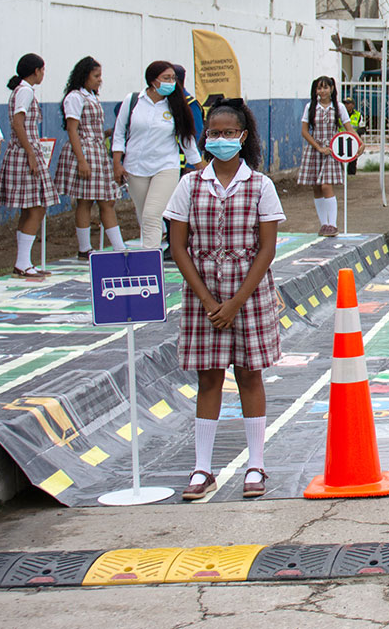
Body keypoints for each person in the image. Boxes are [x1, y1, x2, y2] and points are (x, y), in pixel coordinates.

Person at [165, 98, 284, 499]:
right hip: (204, 295)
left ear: (243, 136)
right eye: (213, 133)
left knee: (249, 374)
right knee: (209, 377)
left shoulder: (260, 186)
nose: (220, 139)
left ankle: (256, 465)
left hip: (248, 293)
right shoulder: (189, 185)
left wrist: (235, 302)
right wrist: (208, 299)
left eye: (228, 133)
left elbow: (266, 249)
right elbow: (179, 247)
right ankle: (202, 468)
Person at [113, 61, 202, 251]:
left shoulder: (177, 104)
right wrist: (117, 163)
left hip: (166, 167)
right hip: (135, 167)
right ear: (153, 80)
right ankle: (151, 250)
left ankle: (149, 261)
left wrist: (200, 166)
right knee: (143, 215)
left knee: (152, 214)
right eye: (166, 78)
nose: (171, 82)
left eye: (173, 78)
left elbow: (186, 140)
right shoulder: (133, 100)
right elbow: (119, 133)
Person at [51, 56, 124, 259]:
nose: (100, 80)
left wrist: (108, 132)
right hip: (84, 152)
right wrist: (81, 160)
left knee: (104, 200)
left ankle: (115, 247)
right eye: (96, 75)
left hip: (97, 150)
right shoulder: (75, 98)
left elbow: (92, 128)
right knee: (87, 200)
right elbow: (73, 130)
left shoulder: (91, 96)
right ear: (85, 76)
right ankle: (87, 247)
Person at [0, 53, 55, 279]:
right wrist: (30, 152)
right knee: (37, 206)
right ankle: (23, 262)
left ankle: (23, 261)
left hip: (23, 151)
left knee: (30, 206)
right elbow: (18, 122)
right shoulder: (26, 91)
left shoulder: (21, 90)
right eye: (43, 69)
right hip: (24, 152)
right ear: (37, 70)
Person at [297, 76, 345, 236]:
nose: (322, 91)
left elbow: (348, 128)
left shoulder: (339, 107)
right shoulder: (310, 107)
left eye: (325, 87)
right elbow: (305, 131)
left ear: (332, 89)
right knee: (316, 187)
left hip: (331, 150)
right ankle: (323, 224)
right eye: (319, 88)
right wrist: (318, 147)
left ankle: (333, 224)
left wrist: (359, 143)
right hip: (315, 150)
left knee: (326, 185)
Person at [342, 96, 364, 178]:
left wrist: (355, 134)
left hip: (353, 139)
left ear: (353, 105)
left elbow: (363, 128)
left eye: (348, 103)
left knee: (353, 157)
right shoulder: (340, 114)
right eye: (345, 103)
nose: (346, 105)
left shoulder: (358, 115)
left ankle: (351, 175)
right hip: (341, 139)